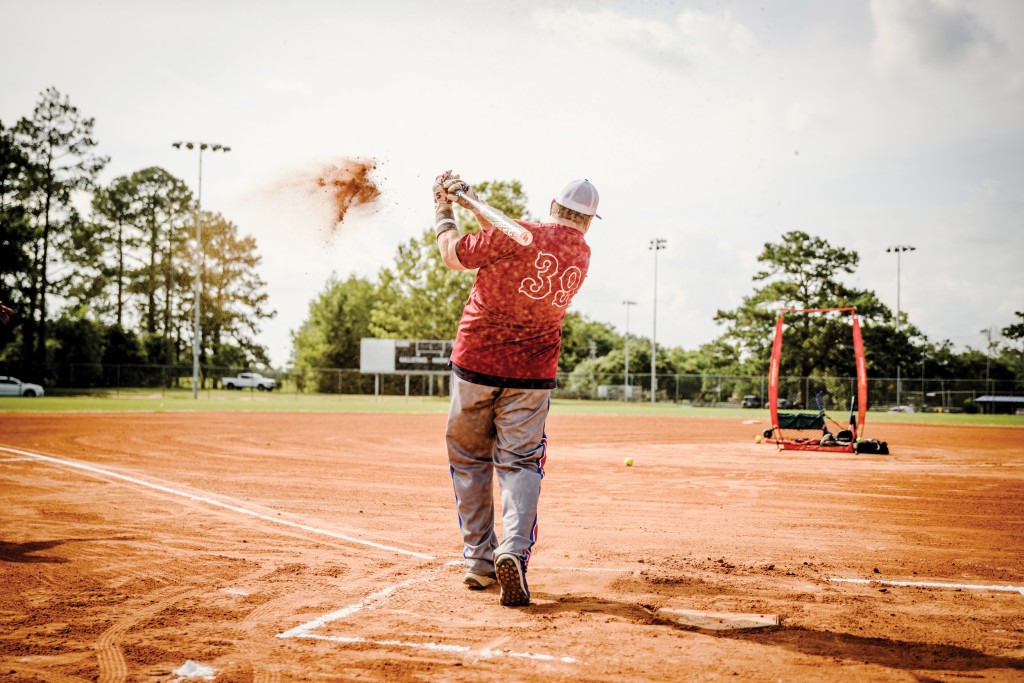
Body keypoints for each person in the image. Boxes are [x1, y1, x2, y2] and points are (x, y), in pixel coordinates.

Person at [431, 170, 599, 607]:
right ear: (588, 221)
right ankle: (514, 551)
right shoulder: (581, 253)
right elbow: (518, 237)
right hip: (532, 375)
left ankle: (479, 560)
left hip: (476, 363)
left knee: (469, 461)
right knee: (521, 464)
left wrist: (445, 208)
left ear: (551, 206)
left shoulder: (517, 233)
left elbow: (452, 256)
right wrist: (476, 202)